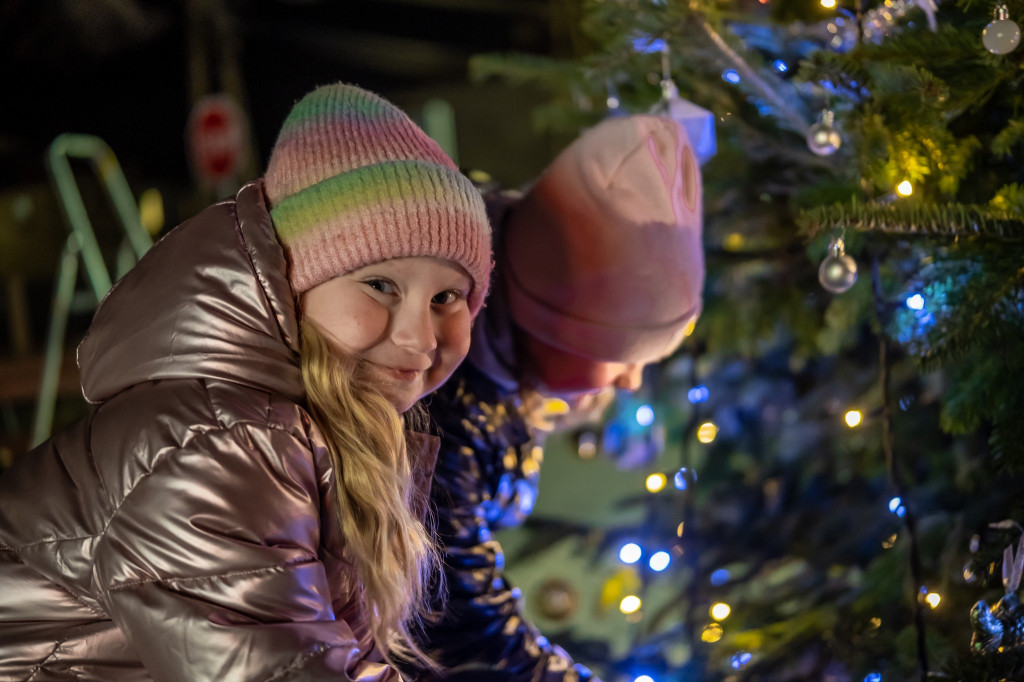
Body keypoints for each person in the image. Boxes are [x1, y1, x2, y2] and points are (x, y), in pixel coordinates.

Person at [0, 83, 492, 682]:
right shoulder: (222, 440)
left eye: (448, 297)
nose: (421, 337)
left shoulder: (303, 431)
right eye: (380, 286)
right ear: (291, 286)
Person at [414, 115, 705, 681]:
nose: (628, 382)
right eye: (622, 354)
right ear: (548, 322)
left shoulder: (495, 370)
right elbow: (458, 619)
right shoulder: (440, 410)